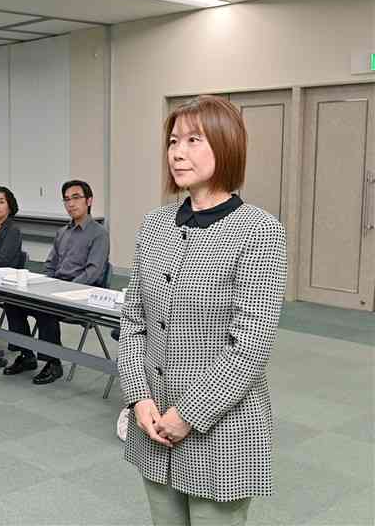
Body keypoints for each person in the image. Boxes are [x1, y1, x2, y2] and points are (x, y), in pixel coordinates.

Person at [117, 95, 287, 526]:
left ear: (226, 146)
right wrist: (139, 398)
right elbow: (134, 320)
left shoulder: (259, 231)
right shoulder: (155, 224)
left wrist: (187, 415)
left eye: (194, 140)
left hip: (222, 430)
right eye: (174, 141)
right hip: (153, 421)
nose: (177, 152)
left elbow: (249, 345)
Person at [3, 180, 109, 385]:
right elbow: (50, 264)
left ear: (89, 201)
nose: (71, 203)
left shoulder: (99, 234)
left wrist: (64, 290)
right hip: (57, 289)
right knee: (12, 301)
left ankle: (53, 362)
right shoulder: (62, 232)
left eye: (76, 198)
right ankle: (27, 355)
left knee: (45, 308)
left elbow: (93, 272)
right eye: (67, 199)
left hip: (81, 294)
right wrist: (46, 284)